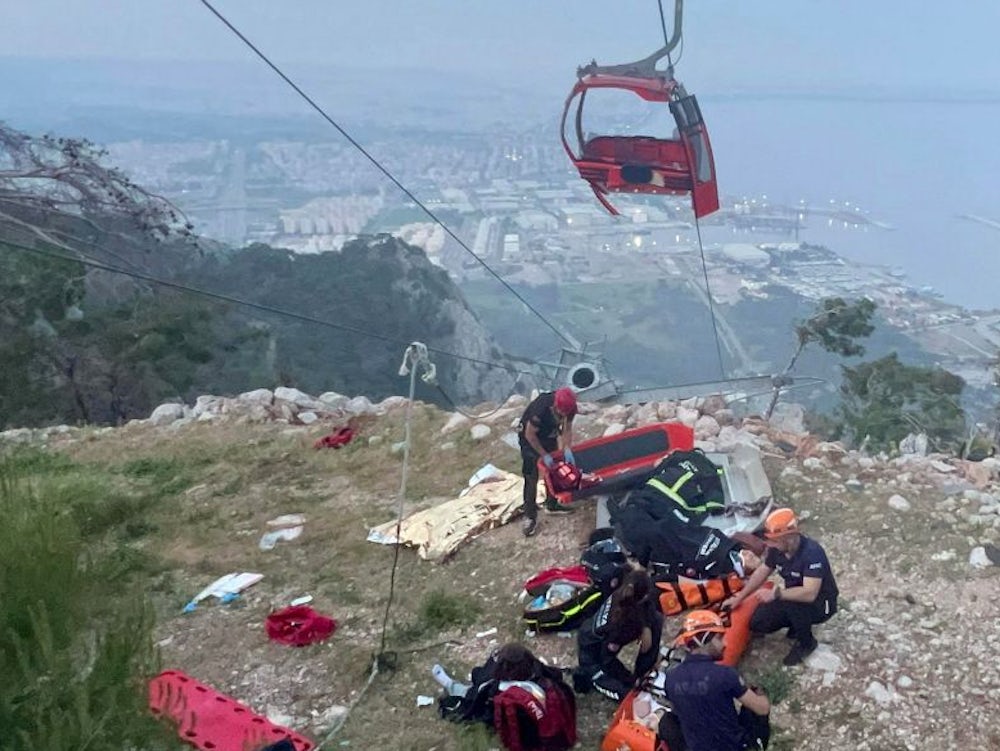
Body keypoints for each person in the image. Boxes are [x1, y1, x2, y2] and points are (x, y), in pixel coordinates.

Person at [721, 508, 839, 666]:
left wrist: (776, 594)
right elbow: (762, 572)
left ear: (789, 538)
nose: (771, 544)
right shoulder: (777, 550)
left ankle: (807, 643)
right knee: (759, 622)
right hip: (791, 596)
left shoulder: (812, 554)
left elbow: (809, 593)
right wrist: (740, 597)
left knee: (794, 602)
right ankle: (796, 624)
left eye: (775, 540)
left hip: (820, 604)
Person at [663, 610, 771, 751]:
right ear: (703, 640)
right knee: (756, 699)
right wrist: (761, 694)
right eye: (719, 638)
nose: (725, 644)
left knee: (668, 721)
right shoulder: (725, 675)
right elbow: (762, 709)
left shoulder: (671, 678)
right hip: (732, 747)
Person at [573, 569, 663, 702]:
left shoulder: (625, 591)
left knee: (656, 620)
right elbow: (607, 660)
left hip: (603, 636)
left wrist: (646, 627)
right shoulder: (620, 626)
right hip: (592, 653)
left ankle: (643, 672)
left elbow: (648, 609)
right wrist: (628, 679)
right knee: (626, 695)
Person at [517, 387, 578, 537]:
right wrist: (543, 454)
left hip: (549, 434)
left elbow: (567, 429)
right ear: (556, 406)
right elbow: (530, 434)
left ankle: (552, 503)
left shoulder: (570, 408)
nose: (563, 415)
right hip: (529, 438)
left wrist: (567, 449)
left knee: (553, 469)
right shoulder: (541, 408)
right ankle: (529, 516)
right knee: (531, 475)